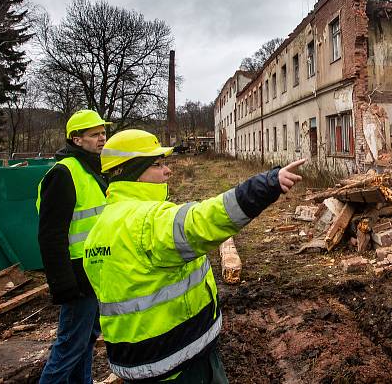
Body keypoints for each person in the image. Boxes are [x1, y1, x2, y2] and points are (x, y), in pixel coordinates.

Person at [83, 129, 305, 383]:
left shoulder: (101, 228)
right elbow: (205, 220)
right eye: (157, 164)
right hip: (180, 362)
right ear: (132, 172)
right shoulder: (148, 222)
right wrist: (265, 185)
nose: (168, 171)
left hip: (137, 361)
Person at [37, 109, 112, 383]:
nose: (102, 138)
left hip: (94, 272)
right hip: (77, 277)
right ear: (76, 139)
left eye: (103, 132)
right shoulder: (64, 173)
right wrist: (63, 285)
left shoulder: (93, 169)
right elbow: (51, 235)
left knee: (85, 342)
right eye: (95, 135)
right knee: (69, 347)